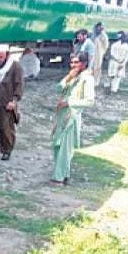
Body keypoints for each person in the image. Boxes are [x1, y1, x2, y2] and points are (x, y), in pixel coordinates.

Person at [50, 51, 95, 186]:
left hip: (72, 116)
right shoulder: (74, 76)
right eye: (72, 62)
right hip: (62, 115)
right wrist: (68, 77)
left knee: (65, 148)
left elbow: (89, 101)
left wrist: (69, 103)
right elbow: (59, 88)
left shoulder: (87, 79)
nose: (73, 65)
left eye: (76, 62)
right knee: (57, 146)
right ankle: (65, 174)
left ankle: (58, 177)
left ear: (84, 63)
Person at [91, 22, 109, 86]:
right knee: (91, 67)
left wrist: (101, 52)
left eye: (100, 27)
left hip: (99, 54)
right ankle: (91, 80)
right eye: (98, 27)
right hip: (92, 54)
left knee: (97, 68)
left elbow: (106, 45)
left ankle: (96, 81)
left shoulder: (104, 35)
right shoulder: (93, 35)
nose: (99, 28)